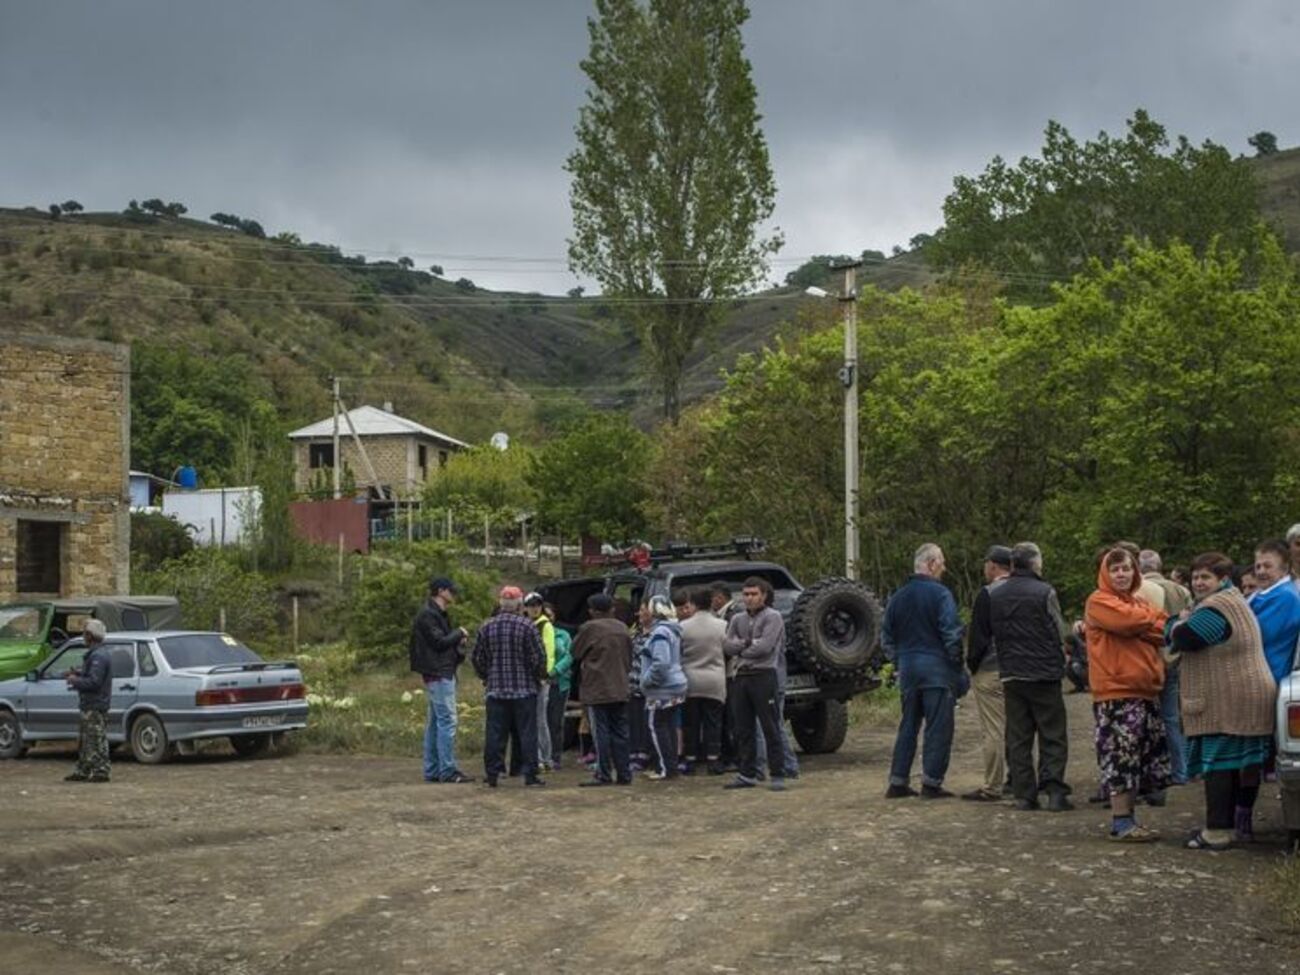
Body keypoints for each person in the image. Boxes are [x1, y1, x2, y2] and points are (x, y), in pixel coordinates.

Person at [1166, 552, 1277, 848]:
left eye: (1206, 577)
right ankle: (1230, 827)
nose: (1199, 582)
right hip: (1245, 695)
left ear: (1223, 579)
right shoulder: (1234, 601)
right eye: (1196, 577)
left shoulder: (1217, 607)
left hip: (1229, 700)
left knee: (1217, 764)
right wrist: (1180, 622)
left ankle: (1217, 831)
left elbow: (1186, 638)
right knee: (1237, 766)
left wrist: (1176, 623)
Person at [1085, 546, 1171, 842]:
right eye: (1115, 569)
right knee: (1121, 757)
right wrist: (1148, 621)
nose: (1121, 574)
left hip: (1145, 690)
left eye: (1126, 568)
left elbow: (1163, 629)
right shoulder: (1099, 601)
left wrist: (1145, 623)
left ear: (1136, 571)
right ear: (1105, 574)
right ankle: (1121, 823)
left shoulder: (1136, 603)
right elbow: (1130, 622)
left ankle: (1130, 819)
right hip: (1116, 693)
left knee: (1140, 757)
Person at [984, 542, 1072, 812]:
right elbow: (1060, 631)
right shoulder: (1045, 592)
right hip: (1044, 672)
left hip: (1012, 672)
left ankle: (1024, 793)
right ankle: (1054, 790)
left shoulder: (995, 595)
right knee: (1052, 733)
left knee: (1018, 735)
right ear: (1035, 563)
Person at [882, 543, 964, 800]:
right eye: (941, 562)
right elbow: (951, 632)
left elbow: (886, 637)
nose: (944, 567)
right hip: (936, 669)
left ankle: (898, 780)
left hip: (908, 670)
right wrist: (956, 665)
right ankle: (931, 782)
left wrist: (899, 662)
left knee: (908, 725)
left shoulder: (897, 597)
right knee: (938, 727)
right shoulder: (941, 595)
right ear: (930, 564)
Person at [472, 587, 546, 788]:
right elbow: (538, 657)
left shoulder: (487, 627)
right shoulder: (527, 626)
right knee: (527, 733)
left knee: (495, 733)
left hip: (496, 690)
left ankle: (493, 774)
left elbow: (477, 657)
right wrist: (537, 677)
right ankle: (530, 774)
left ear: (500, 603)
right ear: (520, 605)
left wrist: (487, 676)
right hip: (524, 690)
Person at [723, 576, 790, 792]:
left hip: (764, 676)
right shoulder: (737, 619)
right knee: (743, 727)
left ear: (764, 595)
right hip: (741, 676)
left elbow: (766, 647)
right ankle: (747, 773)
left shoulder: (774, 617)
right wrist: (748, 644)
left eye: (754, 594)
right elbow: (727, 645)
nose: (749, 598)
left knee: (770, 726)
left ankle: (778, 772)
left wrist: (742, 647)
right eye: (746, 594)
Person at [408, 576, 473, 784]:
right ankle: (447, 769)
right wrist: (458, 633)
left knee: (436, 722)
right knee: (447, 721)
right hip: (438, 673)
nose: (453, 594)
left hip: (439, 672)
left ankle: (433, 769)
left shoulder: (437, 614)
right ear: (441, 591)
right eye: (451, 591)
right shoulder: (429, 615)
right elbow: (438, 642)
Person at [1139, 550, 1193, 789]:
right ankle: (1181, 771)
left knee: (1143, 720)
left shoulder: (1137, 590)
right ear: (1160, 566)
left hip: (1145, 661)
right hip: (1174, 659)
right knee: (1172, 718)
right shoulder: (1179, 590)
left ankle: (1148, 772)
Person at [963, 544, 1012, 802]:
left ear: (992, 565)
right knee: (1019, 728)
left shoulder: (988, 594)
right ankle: (1019, 780)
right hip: (1019, 669)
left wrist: (972, 665)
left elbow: (979, 637)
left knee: (993, 729)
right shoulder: (1026, 590)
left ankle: (993, 784)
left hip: (991, 668)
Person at [572, 593, 635, 786]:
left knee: (601, 733)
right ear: (612, 609)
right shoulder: (623, 627)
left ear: (592, 611)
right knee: (621, 732)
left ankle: (604, 773)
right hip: (621, 686)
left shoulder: (589, 628)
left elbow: (575, 652)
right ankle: (624, 773)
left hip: (597, 689)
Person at [638, 594, 688, 780]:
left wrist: (646, 681)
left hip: (662, 688)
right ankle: (671, 766)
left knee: (657, 726)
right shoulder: (674, 630)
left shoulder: (660, 633)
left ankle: (666, 768)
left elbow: (661, 662)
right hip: (676, 683)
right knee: (670, 726)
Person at [679, 587, 727, 774]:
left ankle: (690, 760)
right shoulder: (721, 625)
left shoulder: (683, 626)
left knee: (691, 722)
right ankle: (713, 760)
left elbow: (679, 652)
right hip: (715, 679)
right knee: (713, 722)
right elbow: (728, 648)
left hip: (690, 679)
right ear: (711, 602)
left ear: (694, 604)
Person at [64, 619, 112, 783]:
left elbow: (94, 682)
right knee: (86, 740)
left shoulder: (98, 656)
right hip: (90, 704)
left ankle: (100, 771)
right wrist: (78, 674)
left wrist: (74, 680)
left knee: (96, 738)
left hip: (95, 704)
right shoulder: (97, 655)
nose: (83, 636)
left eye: (84, 633)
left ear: (90, 635)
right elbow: (92, 676)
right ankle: (84, 769)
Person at [1247, 539, 1300, 683]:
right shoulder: (1265, 592)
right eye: (1257, 567)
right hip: (1256, 673)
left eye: (1267, 566)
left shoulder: (1285, 596)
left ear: (1284, 569)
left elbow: (1252, 633)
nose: (1261, 571)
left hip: (1268, 676)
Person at [523, 592, 557, 771]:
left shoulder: (544, 625)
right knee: (533, 719)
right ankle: (538, 756)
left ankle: (544, 757)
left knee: (539, 719)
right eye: (531, 605)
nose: (534, 608)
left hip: (540, 679)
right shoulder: (528, 624)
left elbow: (549, 652)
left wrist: (544, 675)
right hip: (528, 678)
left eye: (537, 605)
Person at [543, 603, 573, 770]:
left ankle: (555, 757)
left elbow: (569, 656)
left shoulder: (563, 635)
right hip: (540, 683)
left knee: (555, 722)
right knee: (540, 721)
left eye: (550, 614)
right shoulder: (535, 631)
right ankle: (541, 756)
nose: (548, 618)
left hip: (559, 683)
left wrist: (554, 671)